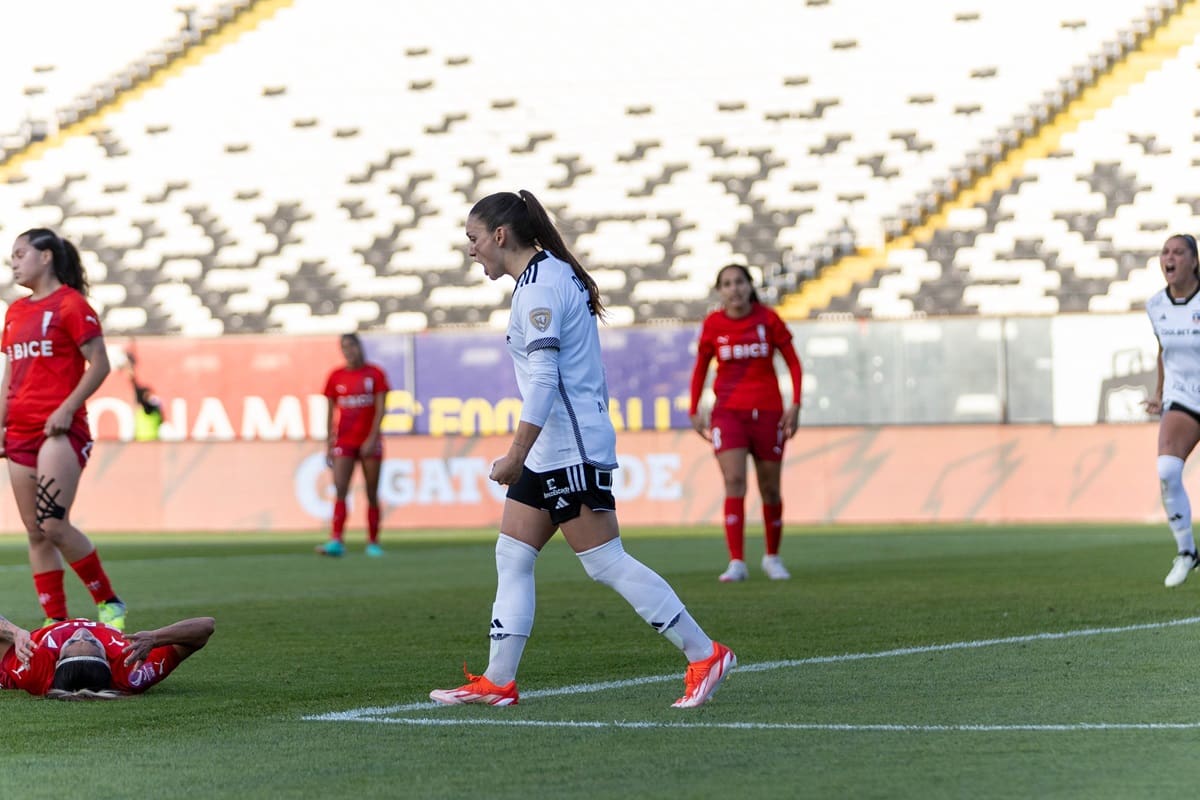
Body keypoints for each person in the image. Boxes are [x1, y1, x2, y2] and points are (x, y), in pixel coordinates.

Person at [429, 190, 734, 709]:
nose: (471, 250)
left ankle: (705, 654)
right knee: (512, 554)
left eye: (473, 239)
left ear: (500, 236)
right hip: (551, 446)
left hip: (567, 446)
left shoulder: (541, 287)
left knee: (605, 562)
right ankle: (499, 680)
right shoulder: (542, 276)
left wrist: (515, 453)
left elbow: (545, 381)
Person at [1, 229, 126, 629]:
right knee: (36, 532)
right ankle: (54, 623)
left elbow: (101, 363)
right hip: (19, 430)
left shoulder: (72, 305)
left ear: (47, 256)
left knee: (54, 523)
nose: (14, 262)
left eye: (21, 254)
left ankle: (109, 602)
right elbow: (10, 376)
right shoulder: (15, 312)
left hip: (58, 430)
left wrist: (67, 408)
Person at [688, 263, 803, 583]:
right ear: (719, 290)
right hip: (729, 413)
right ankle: (736, 562)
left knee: (770, 489)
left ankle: (772, 557)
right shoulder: (713, 324)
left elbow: (793, 362)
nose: (734, 288)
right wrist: (694, 408)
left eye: (739, 282)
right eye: (726, 283)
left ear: (750, 286)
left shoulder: (769, 319)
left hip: (768, 412)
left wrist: (795, 404)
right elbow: (700, 368)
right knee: (735, 481)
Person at [1144, 233, 1200, 587]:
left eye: (1178, 252)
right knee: (1166, 469)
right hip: (1184, 399)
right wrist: (1160, 393)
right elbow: (1164, 351)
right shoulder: (1155, 306)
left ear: (1194, 261)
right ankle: (1186, 552)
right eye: (1165, 252)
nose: (1170, 257)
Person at [0, 612, 214, 699]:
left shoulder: (34, 666)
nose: (83, 633)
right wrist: (156, 638)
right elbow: (205, 627)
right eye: (93, 643)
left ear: (57, 661)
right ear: (108, 662)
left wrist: (15, 632)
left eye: (72, 642)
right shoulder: (131, 670)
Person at [316, 332, 389, 557]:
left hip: (369, 441)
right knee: (340, 488)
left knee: (371, 491)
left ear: (359, 346)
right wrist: (329, 441)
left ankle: (373, 542)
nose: (349, 350)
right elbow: (330, 411)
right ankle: (337, 540)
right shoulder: (336, 376)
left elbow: (380, 409)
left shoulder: (375, 374)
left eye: (352, 345)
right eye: (344, 347)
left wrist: (372, 438)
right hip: (344, 441)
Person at [127, 350, 163, 442]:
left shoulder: (154, 408)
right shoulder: (152, 408)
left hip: (151, 443)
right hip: (143, 443)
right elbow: (135, 386)